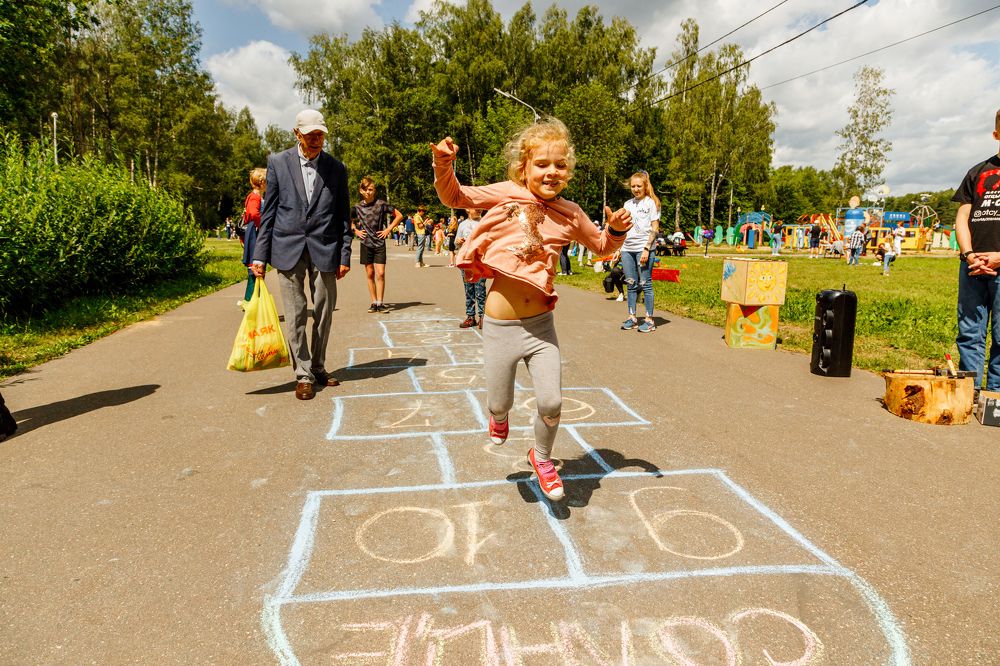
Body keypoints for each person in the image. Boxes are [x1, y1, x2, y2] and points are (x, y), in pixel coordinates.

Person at [431, 118, 632, 501]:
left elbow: (603, 247)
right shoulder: (506, 193)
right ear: (523, 168)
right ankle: (499, 415)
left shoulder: (571, 213)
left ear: (568, 172)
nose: (551, 172)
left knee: (552, 401)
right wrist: (444, 164)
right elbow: (454, 197)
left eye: (560, 165)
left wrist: (617, 230)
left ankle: (542, 458)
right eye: (542, 164)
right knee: (499, 402)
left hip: (541, 326)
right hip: (499, 326)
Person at [251, 109, 352, 401]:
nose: (316, 140)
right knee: (295, 314)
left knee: (323, 312)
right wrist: (260, 256)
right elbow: (268, 213)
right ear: (297, 134)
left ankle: (318, 365)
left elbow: (343, 216)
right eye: (310, 135)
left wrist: (344, 254)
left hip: (326, 248)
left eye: (320, 134)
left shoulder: (336, 168)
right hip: (287, 247)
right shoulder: (278, 163)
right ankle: (303, 373)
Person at [952, 107, 1000, 392]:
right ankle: (967, 393)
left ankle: (995, 398)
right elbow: (962, 216)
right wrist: (969, 254)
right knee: (969, 332)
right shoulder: (978, 171)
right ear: (996, 134)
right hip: (973, 266)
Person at [352, 176, 402, 313]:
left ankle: (380, 302)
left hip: (379, 242)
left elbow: (399, 215)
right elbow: (347, 219)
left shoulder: (381, 204)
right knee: (370, 273)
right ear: (361, 190)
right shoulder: (357, 207)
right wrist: (355, 230)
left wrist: (388, 229)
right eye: (366, 189)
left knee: (380, 273)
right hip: (365, 243)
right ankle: (373, 302)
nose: (369, 192)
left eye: (371, 189)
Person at [619, 171, 660, 333]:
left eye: (639, 186)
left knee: (645, 283)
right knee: (631, 283)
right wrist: (618, 247)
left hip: (644, 248)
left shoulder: (651, 203)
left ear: (645, 186)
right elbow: (623, 227)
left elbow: (655, 228)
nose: (636, 189)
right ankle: (632, 317)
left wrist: (646, 248)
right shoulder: (627, 204)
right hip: (627, 248)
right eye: (633, 186)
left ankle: (649, 320)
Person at [239, 167, 267, 307]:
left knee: (257, 268)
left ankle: (252, 300)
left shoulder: (257, 197)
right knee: (255, 268)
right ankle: (250, 301)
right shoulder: (255, 197)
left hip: (256, 232)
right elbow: (252, 214)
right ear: (262, 182)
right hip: (255, 234)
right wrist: (264, 224)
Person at [456, 208, 486, 328]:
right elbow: (456, 243)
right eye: (476, 207)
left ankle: (483, 316)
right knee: (469, 290)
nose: (480, 209)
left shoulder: (485, 222)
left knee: (480, 290)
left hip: (479, 261)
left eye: (481, 207)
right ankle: (470, 316)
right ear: (468, 209)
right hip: (466, 261)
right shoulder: (462, 225)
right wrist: (458, 241)